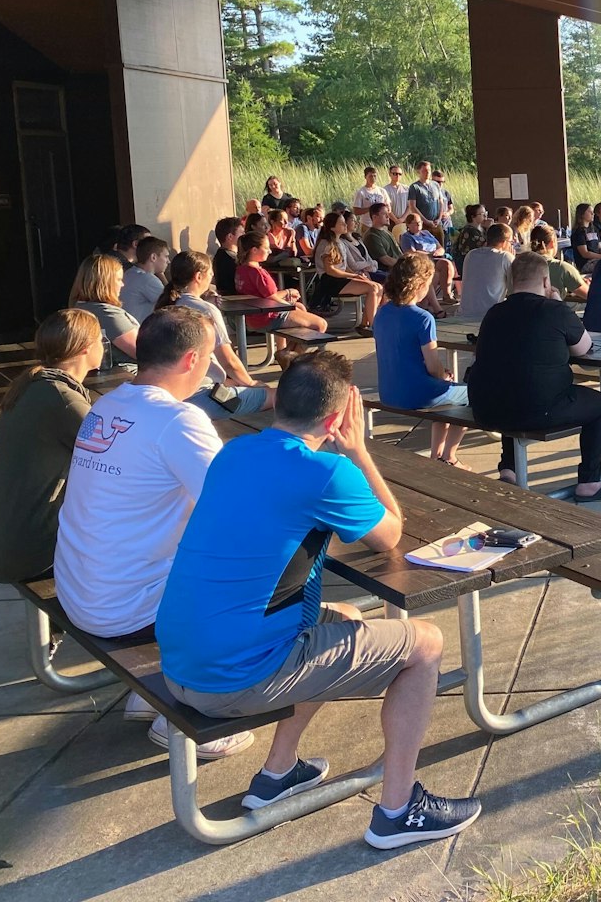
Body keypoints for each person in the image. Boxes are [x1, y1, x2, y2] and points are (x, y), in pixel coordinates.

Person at [155, 352, 481, 846]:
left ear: (278, 402)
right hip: (231, 677)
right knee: (426, 645)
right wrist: (360, 451)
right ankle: (398, 810)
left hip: (182, 660)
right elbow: (389, 534)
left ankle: (278, 771)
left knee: (345, 616)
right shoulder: (327, 471)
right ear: (336, 419)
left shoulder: (232, 453)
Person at [54, 307, 251, 758]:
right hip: (126, 608)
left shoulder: (107, 403)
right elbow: (233, 511)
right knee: (259, 567)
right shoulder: (177, 420)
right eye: (209, 359)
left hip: (80, 592)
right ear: (190, 361)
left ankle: (147, 693)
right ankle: (189, 709)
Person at [467, 252, 601, 499]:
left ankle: (509, 469)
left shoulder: (494, 312)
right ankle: (589, 482)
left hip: (486, 409)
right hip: (539, 410)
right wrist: (557, 303)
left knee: (511, 382)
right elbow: (584, 348)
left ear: (510, 279)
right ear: (545, 281)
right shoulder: (555, 310)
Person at [0, 309, 102, 584]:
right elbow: (115, 461)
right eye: (101, 339)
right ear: (87, 348)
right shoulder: (62, 399)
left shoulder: (30, 385)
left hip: (8, 542)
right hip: (34, 553)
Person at [155, 251, 275, 420]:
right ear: (198, 276)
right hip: (201, 394)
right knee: (274, 395)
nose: (212, 277)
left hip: (172, 390)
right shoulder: (206, 310)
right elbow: (229, 361)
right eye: (210, 273)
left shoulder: (167, 305)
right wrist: (252, 383)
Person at [373, 254, 466, 465]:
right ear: (421, 285)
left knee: (448, 397)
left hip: (389, 392)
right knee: (470, 395)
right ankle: (449, 457)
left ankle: (437, 457)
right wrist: (444, 375)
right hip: (417, 393)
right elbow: (433, 367)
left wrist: (441, 378)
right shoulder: (423, 318)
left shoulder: (381, 314)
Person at [235, 232, 329, 352]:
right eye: (266, 248)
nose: (269, 251)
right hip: (269, 316)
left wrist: (288, 295)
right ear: (254, 250)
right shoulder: (257, 273)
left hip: (254, 316)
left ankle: (288, 354)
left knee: (301, 309)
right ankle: (292, 359)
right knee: (320, 324)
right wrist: (290, 304)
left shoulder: (241, 270)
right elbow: (271, 298)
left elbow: (263, 296)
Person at [311, 217, 381, 337]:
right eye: (341, 223)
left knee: (378, 286)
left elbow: (344, 266)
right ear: (332, 227)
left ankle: (365, 324)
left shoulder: (339, 242)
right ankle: (374, 325)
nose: (345, 225)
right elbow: (331, 270)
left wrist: (358, 275)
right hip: (330, 281)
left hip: (340, 278)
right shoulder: (327, 244)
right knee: (372, 288)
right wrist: (353, 275)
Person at [69, 253, 140, 368]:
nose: (122, 285)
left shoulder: (81, 306)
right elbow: (144, 354)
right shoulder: (108, 315)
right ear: (105, 282)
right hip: (129, 376)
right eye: (118, 279)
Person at [399, 214, 457, 307]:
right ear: (408, 225)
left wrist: (438, 251)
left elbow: (440, 247)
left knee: (447, 264)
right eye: (415, 223)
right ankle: (428, 301)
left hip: (436, 258)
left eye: (419, 223)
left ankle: (446, 295)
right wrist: (430, 254)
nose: (418, 225)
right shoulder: (406, 237)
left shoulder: (426, 233)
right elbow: (412, 253)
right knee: (441, 267)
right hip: (421, 262)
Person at [459, 224, 513, 319]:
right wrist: (513, 260)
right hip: (490, 315)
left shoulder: (471, 254)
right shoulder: (505, 257)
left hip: (465, 312)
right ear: (504, 242)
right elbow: (514, 290)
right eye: (511, 242)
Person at [121, 235, 172, 322]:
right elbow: (173, 304)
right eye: (166, 256)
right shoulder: (147, 279)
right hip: (141, 331)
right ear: (153, 257)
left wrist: (161, 274)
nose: (168, 261)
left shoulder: (129, 273)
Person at [530, 225, 587, 300]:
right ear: (552, 243)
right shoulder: (562, 267)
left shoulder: (520, 266)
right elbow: (589, 295)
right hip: (552, 309)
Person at [450, 204, 488, 271]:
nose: (485, 216)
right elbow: (487, 245)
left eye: (485, 213)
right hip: (468, 265)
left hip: (479, 261)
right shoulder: (469, 231)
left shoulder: (482, 228)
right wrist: (490, 228)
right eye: (482, 214)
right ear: (473, 216)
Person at [407, 161, 444, 228]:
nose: (427, 172)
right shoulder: (414, 187)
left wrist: (439, 219)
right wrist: (426, 221)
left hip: (437, 223)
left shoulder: (435, 185)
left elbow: (441, 203)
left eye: (429, 170)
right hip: (422, 225)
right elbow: (412, 206)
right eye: (424, 170)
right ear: (419, 172)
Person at [212, 216, 244, 295]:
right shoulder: (229, 259)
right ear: (230, 237)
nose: (244, 236)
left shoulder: (222, 255)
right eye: (242, 233)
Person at [569, 203, 601, 270]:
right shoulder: (578, 232)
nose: (592, 214)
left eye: (593, 212)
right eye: (589, 211)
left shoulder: (594, 229)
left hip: (598, 259)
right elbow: (585, 253)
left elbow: (600, 247)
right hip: (586, 263)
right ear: (582, 214)